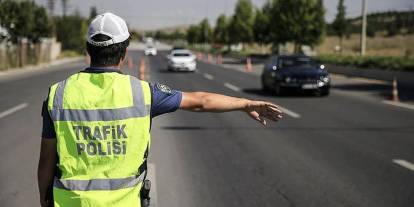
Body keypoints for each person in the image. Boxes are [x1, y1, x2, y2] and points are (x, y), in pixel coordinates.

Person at [37, 13, 283, 207]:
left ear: (88, 50)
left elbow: (46, 160)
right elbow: (201, 101)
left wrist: (44, 199)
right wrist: (245, 104)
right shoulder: (143, 92)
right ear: (123, 53)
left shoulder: (58, 94)